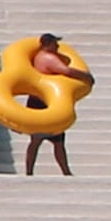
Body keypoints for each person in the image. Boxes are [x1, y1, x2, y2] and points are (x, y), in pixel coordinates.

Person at [19, 32, 82, 176]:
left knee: (56, 141)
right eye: (55, 43)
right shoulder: (48, 58)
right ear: (48, 45)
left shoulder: (37, 57)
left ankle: (35, 172)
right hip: (43, 102)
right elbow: (65, 71)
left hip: (38, 99)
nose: (58, 46)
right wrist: (85, 76)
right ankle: (62, 172)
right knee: (40, 140)